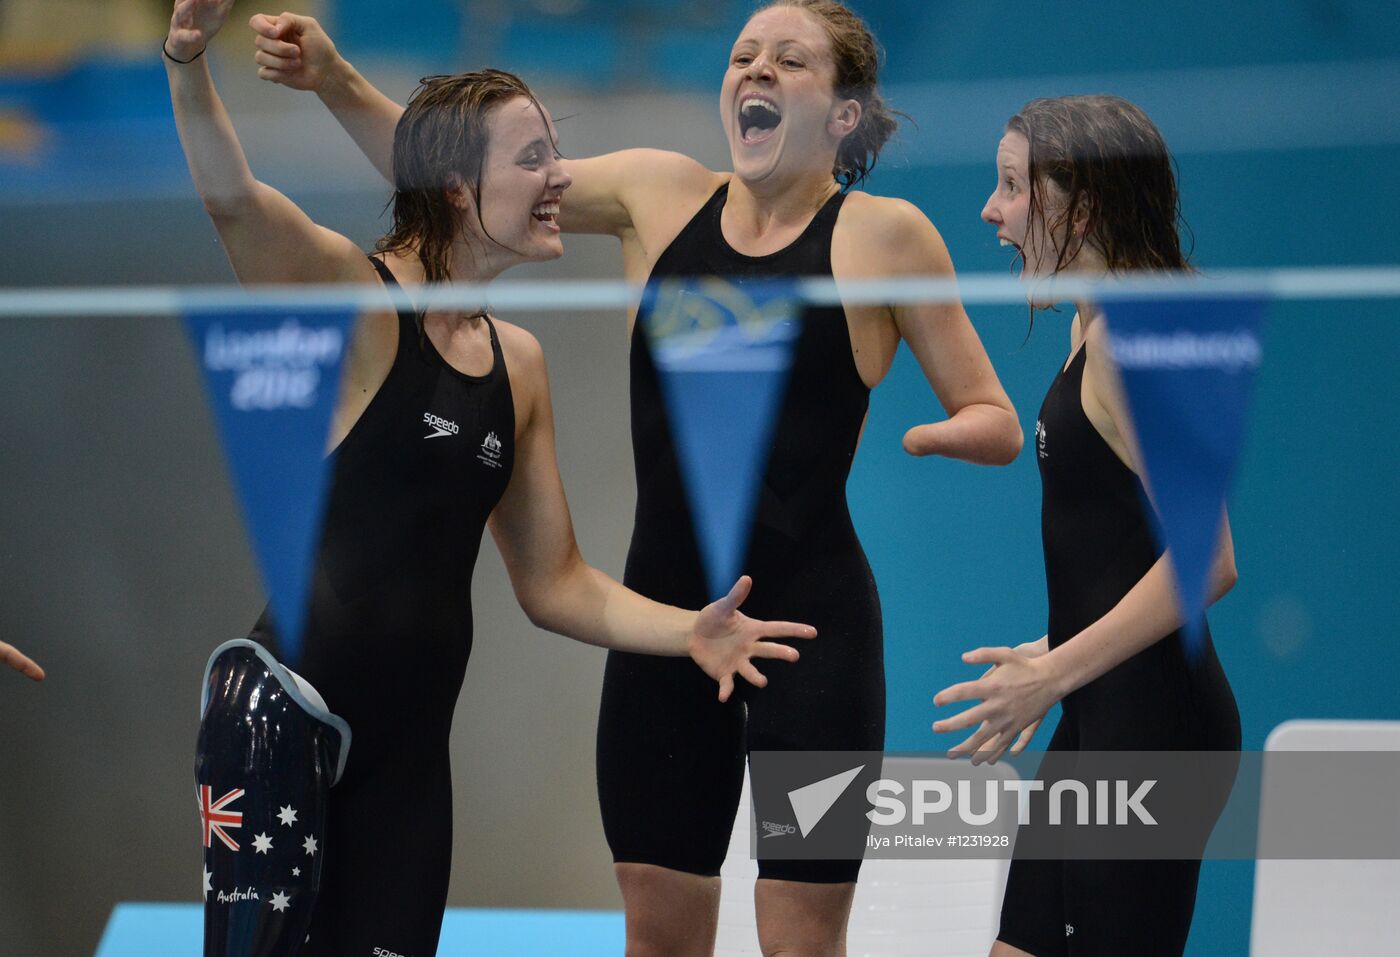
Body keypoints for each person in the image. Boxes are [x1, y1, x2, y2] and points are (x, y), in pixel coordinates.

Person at [250, 2, 1023, 953]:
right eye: (743, 55)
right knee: (658, 933)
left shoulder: (886, 237)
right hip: (668, 628)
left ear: (844, 114)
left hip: (808, 641)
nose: (757, 71)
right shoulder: (657, 194)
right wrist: (333, 80)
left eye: (789, 61)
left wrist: (944, 434)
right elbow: (465, 177)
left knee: (800, 942)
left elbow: (994, 416)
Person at [164, 2, 817, 955]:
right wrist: (187, 63)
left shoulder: (519, 366)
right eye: (533, 158)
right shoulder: (356, 302)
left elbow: (555, 582)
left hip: (408, 757)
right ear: (457, 188)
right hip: (283, 711)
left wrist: (691, 630)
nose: (560, 178)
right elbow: (234, 203)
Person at [933, 95, 1242, 956]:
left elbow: (1210, 559)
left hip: (1155, 732)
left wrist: (1051, 672)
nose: (990, 211)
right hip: (1102, 711)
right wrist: (1054, 648)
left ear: (1083, 207)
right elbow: (1123, 540)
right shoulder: (1091, 322)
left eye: (1011, 186)